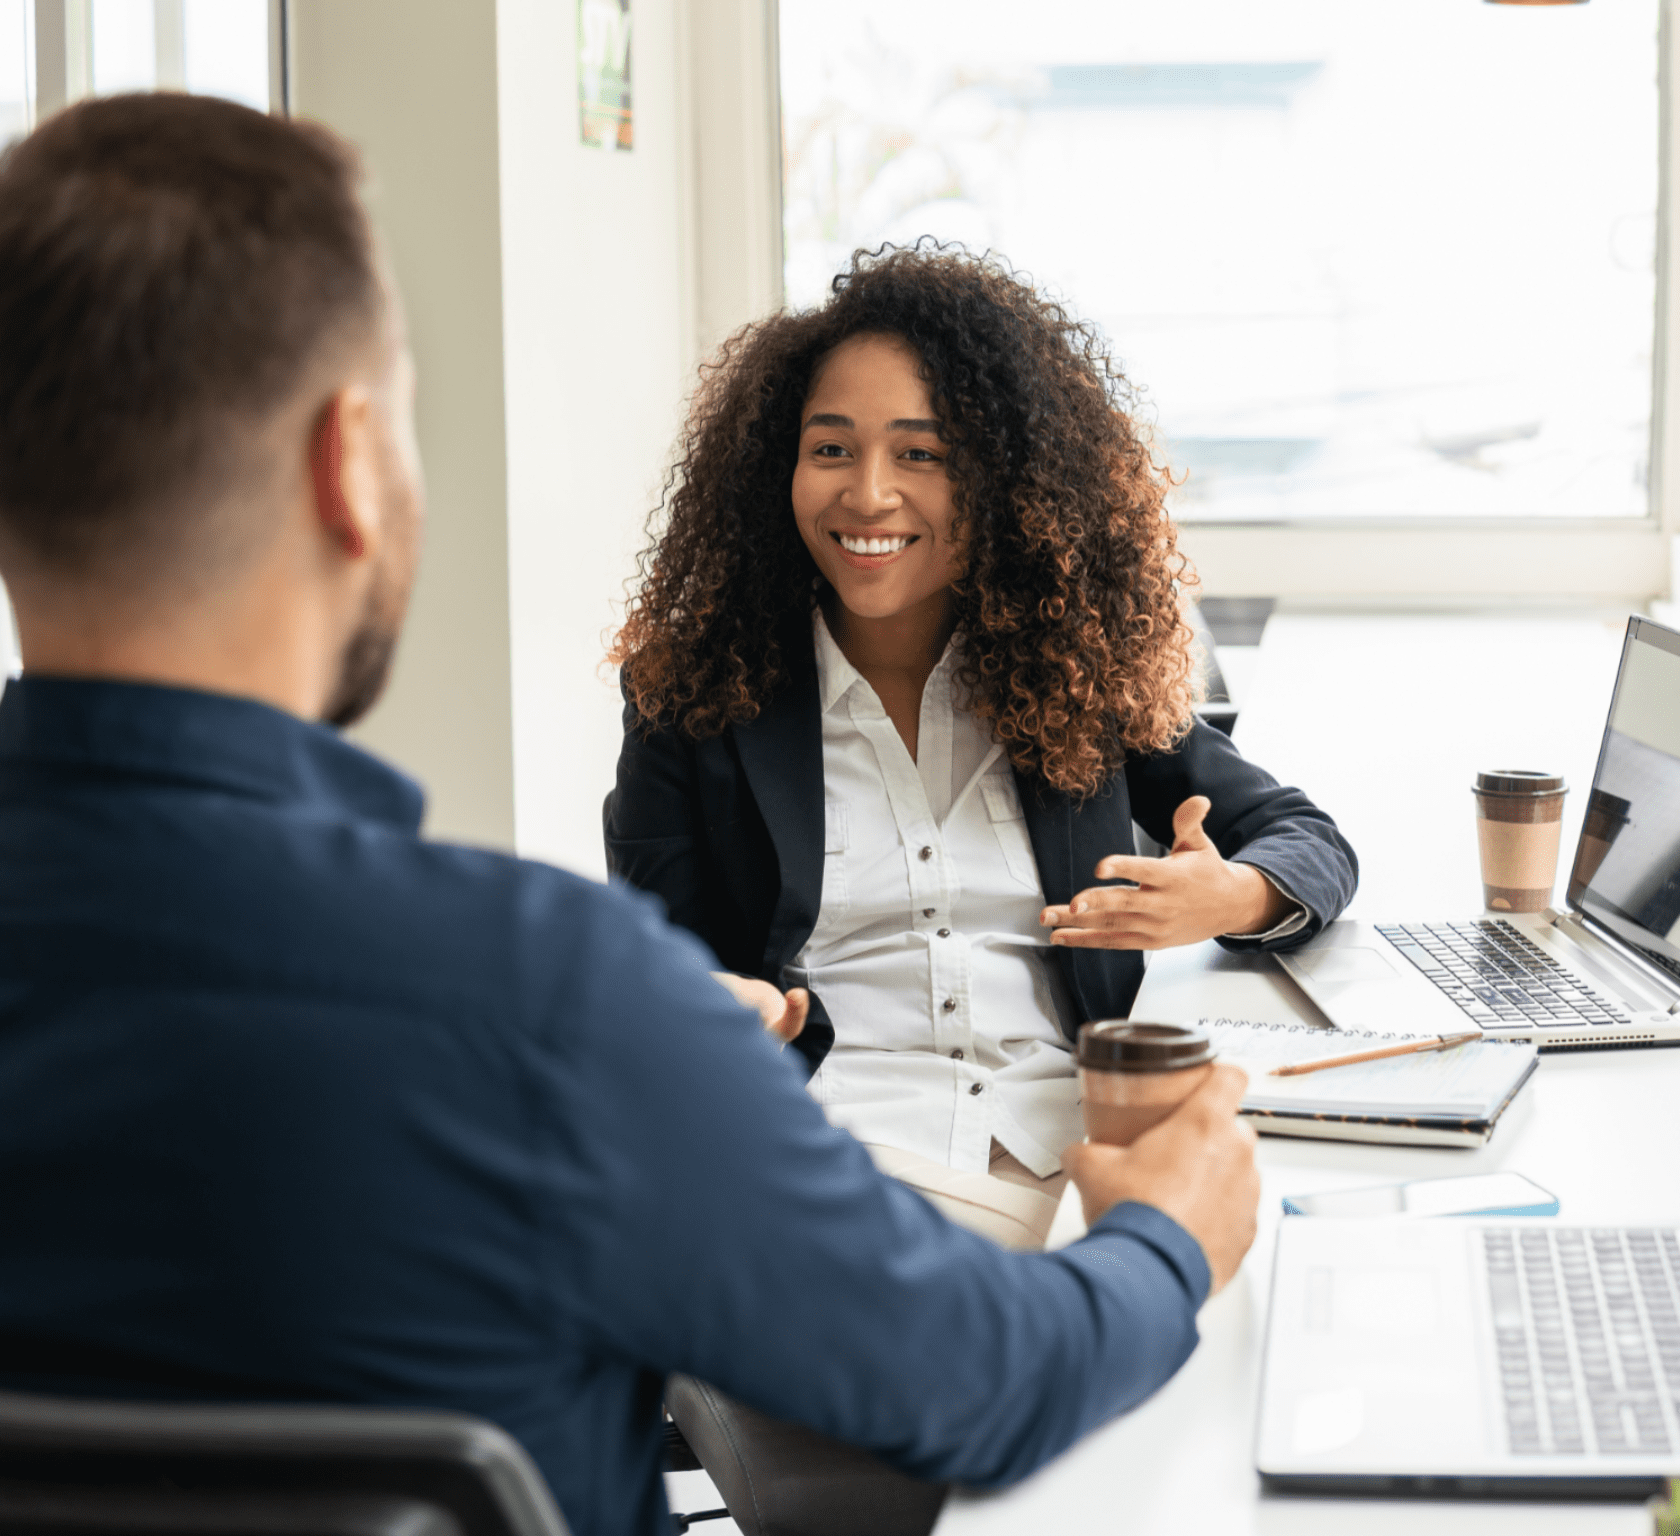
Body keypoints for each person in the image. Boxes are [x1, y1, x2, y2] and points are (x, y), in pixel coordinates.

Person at [0, 95, 1260, 1536]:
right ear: (349, 464)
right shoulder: (546, 1004)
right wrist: (1170, 1231)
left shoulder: (567, 1004)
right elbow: (974, 1381)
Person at [604, 246, 1357, 1251]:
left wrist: (1233, 898)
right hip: (829, 1180)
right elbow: (656, 967)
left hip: (1070, 1164)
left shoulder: (1077, 673)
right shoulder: (695, 696)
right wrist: (695, 1007)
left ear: (1005, 481)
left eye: (921, 454)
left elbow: (1303, 836)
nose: (867, 495)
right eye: (830, 449)